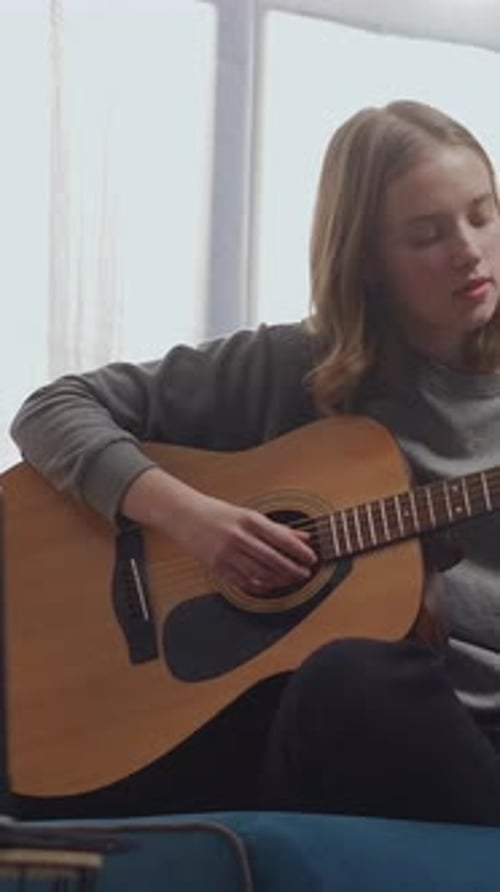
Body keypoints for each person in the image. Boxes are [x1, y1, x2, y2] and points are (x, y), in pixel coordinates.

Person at [10, 99, 500, 826]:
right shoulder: (293, 365)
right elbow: (53, 409)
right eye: (427, 235)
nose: (469, 250)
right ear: (367, 262)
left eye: (483, 216)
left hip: (457, 732)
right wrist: (196, 520)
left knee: (358, 678)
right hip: (288, 725)